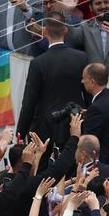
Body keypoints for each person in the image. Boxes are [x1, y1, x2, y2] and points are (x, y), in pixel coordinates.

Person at [16, 13, 89, 150]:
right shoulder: (82, 58)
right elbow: (89, 95)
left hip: (45, 129)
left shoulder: (37, 63)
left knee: (46, 170)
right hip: (76, 124)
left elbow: (28, 103)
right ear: (65, 30)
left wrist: (20, 133)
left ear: (45, 32)